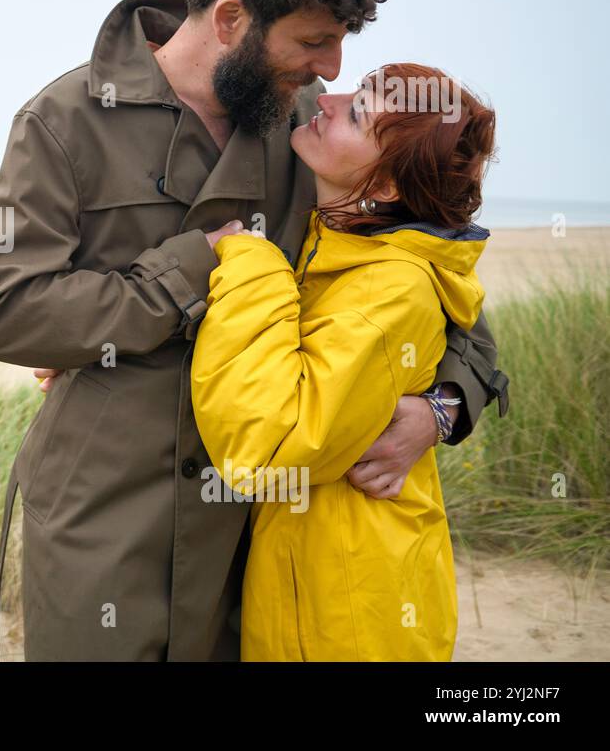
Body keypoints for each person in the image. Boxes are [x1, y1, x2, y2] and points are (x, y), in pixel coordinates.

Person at [0, 0, 510, 662]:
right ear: (231, 19)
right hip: (101, 521)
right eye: (313, 40)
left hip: (255, 538)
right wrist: (191, 269)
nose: (331, 69)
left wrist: (439, 412)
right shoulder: (60, 123)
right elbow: (5, 311)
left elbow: (452, 305)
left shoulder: (311, 138)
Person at [189, 63, 498, 660]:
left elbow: (274, 445)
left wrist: (249, 262)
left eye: (357, 112)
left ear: (383, 189)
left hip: (350, 606)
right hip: (319, 581)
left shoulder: (392, 283)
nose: (326, 100)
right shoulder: (341, 243)